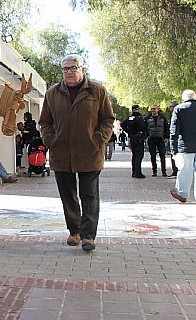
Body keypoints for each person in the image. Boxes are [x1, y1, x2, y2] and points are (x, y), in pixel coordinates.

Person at [38, 54, 114, 252]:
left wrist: (98, 138)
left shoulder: (97, 91)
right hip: (61, 153)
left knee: (89, 195)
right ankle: (75, 231)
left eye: (73, 68)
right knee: (68, 195)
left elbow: (108, 119)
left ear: (83, 69)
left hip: (89, 152)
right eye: (65, 69)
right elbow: (45, 122)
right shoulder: (52, 93)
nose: (69, 72)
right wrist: (50, 140)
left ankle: (89, 236)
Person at [121, 105, 148, 179]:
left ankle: (134, 172)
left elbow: (122, 124)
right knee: (139, 155)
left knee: (134, 155)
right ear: (138, 110)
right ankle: (138, 172)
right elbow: (144, 127)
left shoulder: (129, 118)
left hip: (131, 138)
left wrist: (128, 132)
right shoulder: (139, 119)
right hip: (138, 138)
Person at [145, 104, 169, 176]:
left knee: (162, 155)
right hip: (151, 139)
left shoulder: (162, 117)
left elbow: (166, 127)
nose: (153, 110)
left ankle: (164, 171)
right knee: (153, 155)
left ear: (158, 109)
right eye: (152, 109)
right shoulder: (147, 118)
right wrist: (147, 136)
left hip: (160, 138)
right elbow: (145, 127)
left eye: (154, 109)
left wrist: (166, 136)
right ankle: (154, 171)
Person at [168, 101, 180, 178]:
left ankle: (177, 171)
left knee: (175, 154)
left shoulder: (178, 114)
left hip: (177, 138)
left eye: (171, 106)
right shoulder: (172, 115)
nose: (170, 108)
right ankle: (175, 171)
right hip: (174, 138)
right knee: (173, 154)